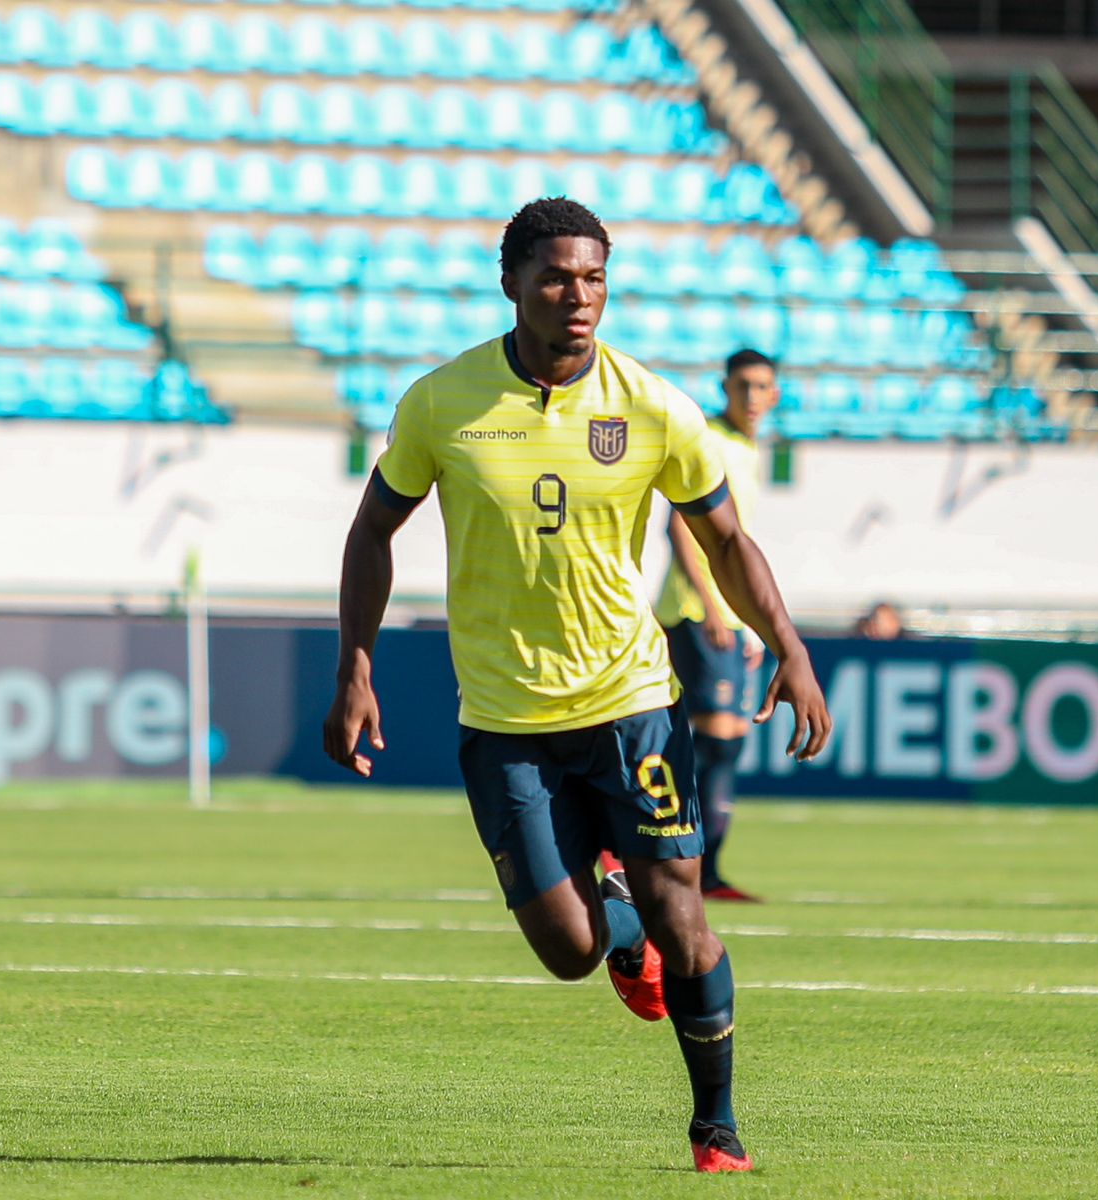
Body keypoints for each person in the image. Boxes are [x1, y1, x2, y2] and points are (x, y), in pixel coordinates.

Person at [321, 197, 832, 1171]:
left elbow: (726, 538)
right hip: (506, 719)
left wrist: (789, 648)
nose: (578, 296)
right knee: (567, 950)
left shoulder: (654, 406)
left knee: (686, 912)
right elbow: (371, 531)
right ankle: (615, 910)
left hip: (631, 702)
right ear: (511, 282)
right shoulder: (442, 403)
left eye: (594, 278)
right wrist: (356, 666)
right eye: (557, 277)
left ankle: (716, 1128)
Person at [653, 349, 780, 902]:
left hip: (724, 618)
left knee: (714, 739)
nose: (752, 397)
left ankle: (697, 867)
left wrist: (748, 622)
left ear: (775, 394)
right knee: (717, 740)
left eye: (763, 387)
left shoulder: (749, 449)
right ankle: (690, 868)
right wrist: (709, 605)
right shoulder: (709, 440)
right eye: (743, 385)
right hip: (695, 612)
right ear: (725, 386)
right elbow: (681, 527)